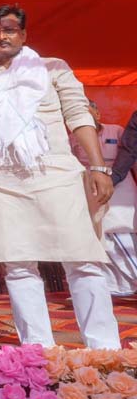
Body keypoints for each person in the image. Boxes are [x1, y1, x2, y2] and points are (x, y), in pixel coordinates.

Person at [0, 4, 121, 349]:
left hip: (56, 172)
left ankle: (104, 349)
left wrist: (98, 167)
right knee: (17, 266)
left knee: (83, 260)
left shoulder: (53, 68)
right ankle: (37, 351)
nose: (2, 37)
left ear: (23, 34)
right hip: (0, 179)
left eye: (9, 30)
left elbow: (78, 114)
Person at [70, 101, 137, 295]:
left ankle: (131, 280)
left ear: (98, 114)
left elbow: (130, 156)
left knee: (125, 229)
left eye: (88, 113)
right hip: (91, 187)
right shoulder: (73, 138)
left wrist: (113, 178)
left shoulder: (116, 131)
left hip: (122, 186)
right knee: (102, 233)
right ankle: (117, 286)